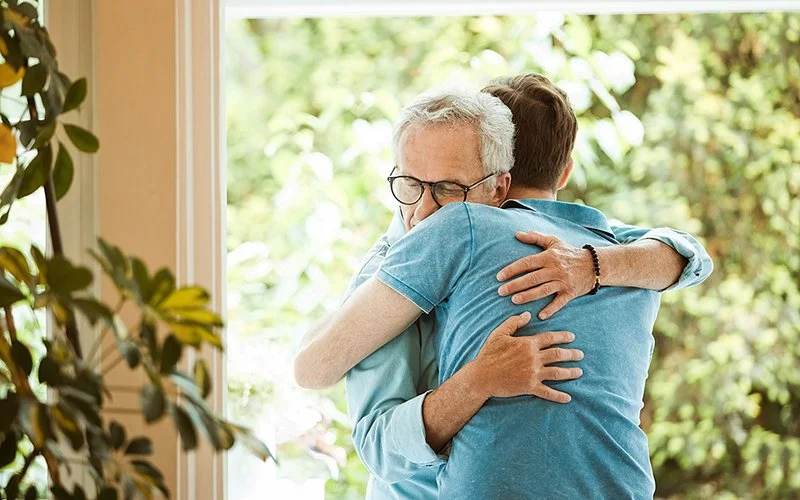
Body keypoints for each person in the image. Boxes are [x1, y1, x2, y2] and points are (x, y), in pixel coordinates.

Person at [295, 77, 712, 498]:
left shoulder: (594, 249)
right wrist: (478, 380)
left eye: (447, 189)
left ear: (500, 183)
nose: (422, 213)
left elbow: (683, 253)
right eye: (409, 184)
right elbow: (368, 437)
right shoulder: (413, 250)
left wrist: (590, 266)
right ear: (564, 172)